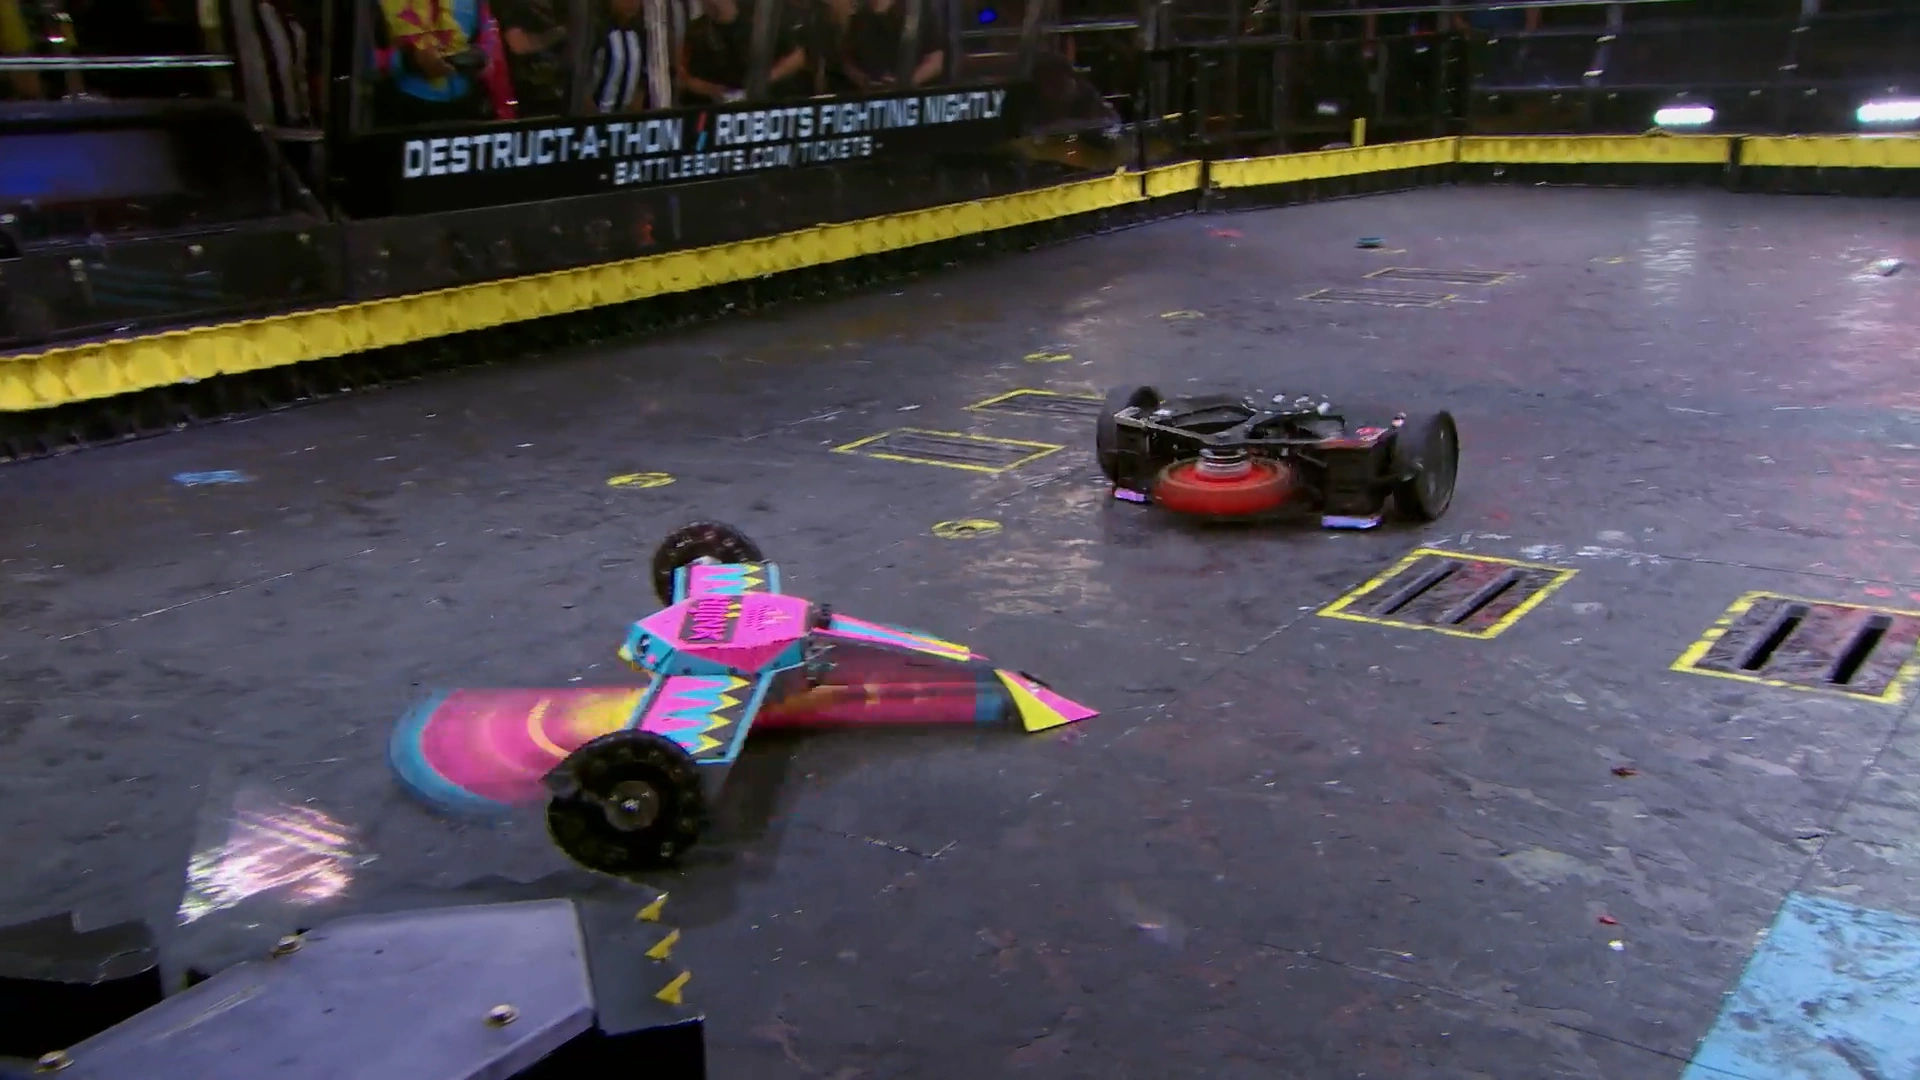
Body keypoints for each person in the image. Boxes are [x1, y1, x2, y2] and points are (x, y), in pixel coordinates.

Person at [373, 0, 499, 125]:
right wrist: (408, 59)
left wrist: (482, 55)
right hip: (404, 108)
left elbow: (488, 31)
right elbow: (364, 57)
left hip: (468, 104)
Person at [841, 0, 942, 91]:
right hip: (869, 99)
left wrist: (907, 82)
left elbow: (935, 61)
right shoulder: (860, 17)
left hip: (909, 97)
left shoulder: (918, 12)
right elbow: (847, 60)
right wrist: (861, 80)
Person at [492, 0, 567, 115]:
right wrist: (563, 33)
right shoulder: (514, 5)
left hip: (558, 89)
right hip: (530, 94)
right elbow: (519, 44)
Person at [678, 0, 747, 101]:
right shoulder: (696, 30)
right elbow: (684, 77)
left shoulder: (753, 28)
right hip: (704, 104)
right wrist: (715, 90)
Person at [590, 0, 645, 112]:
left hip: (626, 115)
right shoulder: (597, 32)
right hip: (595, 113)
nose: (632, 3)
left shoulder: (640, 34)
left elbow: (642, 73)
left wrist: (639, 98)